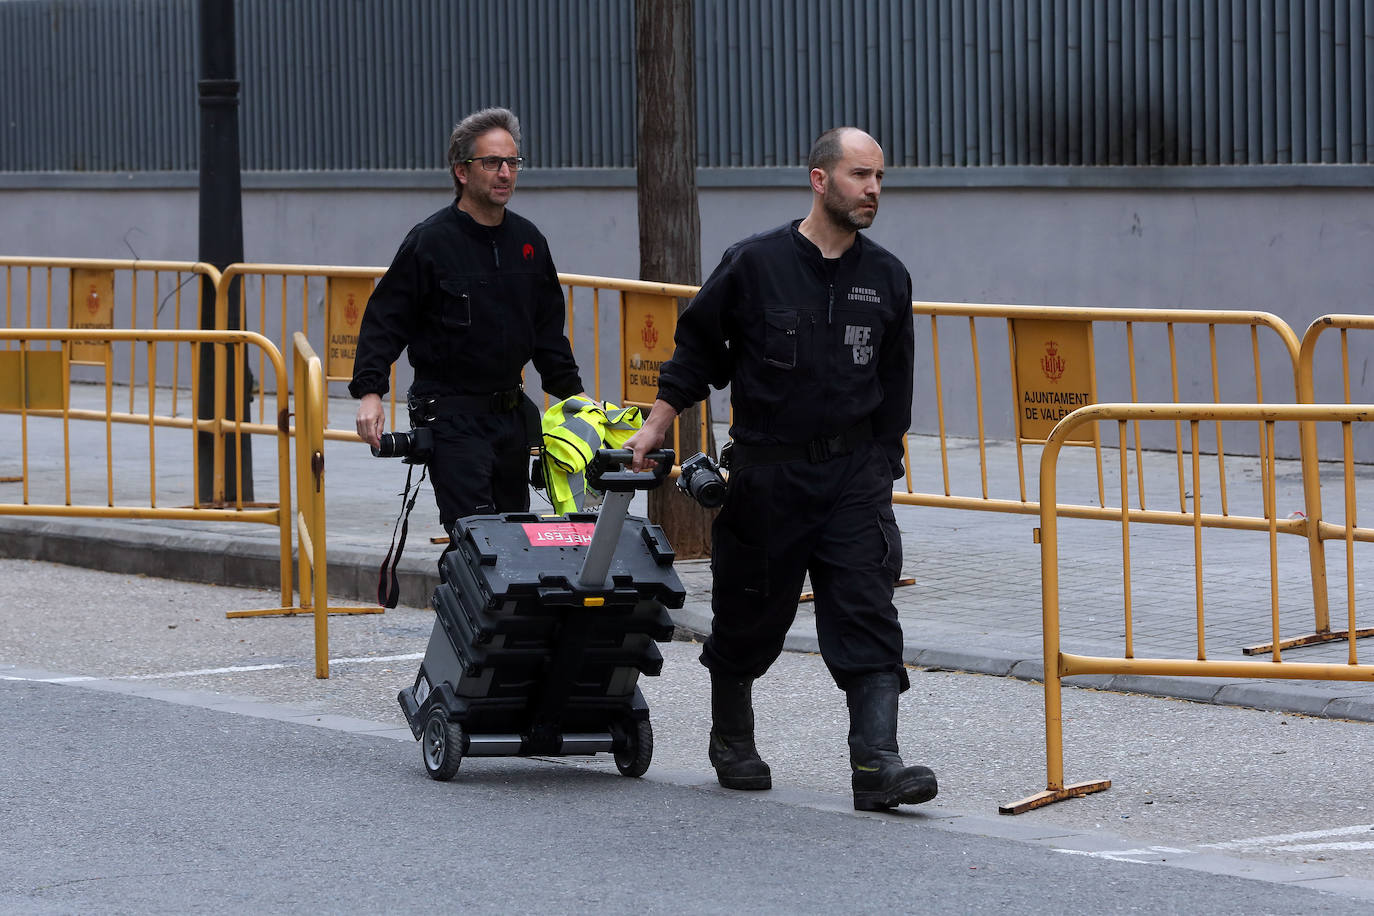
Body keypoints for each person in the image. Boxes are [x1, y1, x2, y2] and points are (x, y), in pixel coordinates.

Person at [624, 127, 935, 811]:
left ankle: (878, 765)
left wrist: (883, 467)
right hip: (770, 475)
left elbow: (897, 379)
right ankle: (731, 737)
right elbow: (697, 351)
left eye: (880, 177)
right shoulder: (755, 265)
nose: (874, 190)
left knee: (867, 611)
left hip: (853, 477)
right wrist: (656, 424)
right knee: (749, 615)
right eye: (860, 176)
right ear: (821, 181)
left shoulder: (886, 277)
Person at [350, 107, 585, 537]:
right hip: (451, 416)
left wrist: (577, 402)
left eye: (513, 162)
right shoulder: (431, 241)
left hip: (511, 417)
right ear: (461, 170)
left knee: (515, 535)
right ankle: (462, 602)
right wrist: (370, 393)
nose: (505, 174)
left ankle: (481, 604)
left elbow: (548, 334)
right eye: (492, 162)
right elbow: (385, 321)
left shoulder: (529, 242)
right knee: (476, 535)